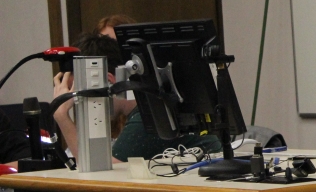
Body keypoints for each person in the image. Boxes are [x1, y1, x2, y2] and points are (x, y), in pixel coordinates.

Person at [52, 32, 221, 163]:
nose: (78, 104)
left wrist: (61, 116)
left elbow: (103, 174)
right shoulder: (147, 108)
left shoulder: (150, 117)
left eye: (81, 95)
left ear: (109, 81)